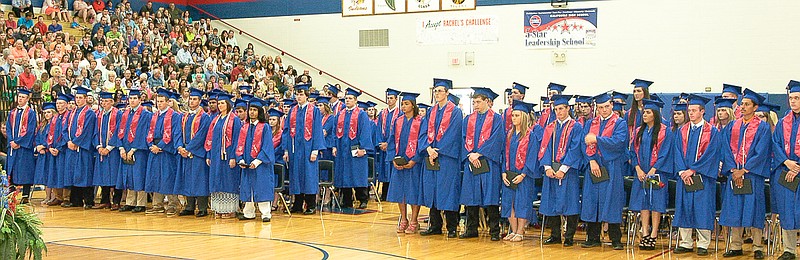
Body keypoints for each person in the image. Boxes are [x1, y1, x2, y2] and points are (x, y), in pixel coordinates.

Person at [719, 89, 771, 259]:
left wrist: (744, 170)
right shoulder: (733, 126)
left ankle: (757, 246)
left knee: (754, 209)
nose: (743, 107)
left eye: (747, 104)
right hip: (735, 175)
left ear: (755, 107)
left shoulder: (762, 127)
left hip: (752, 176)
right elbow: (726, 149)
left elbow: (761, 152)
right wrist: (734, 170)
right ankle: (736, 245)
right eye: (742, 104)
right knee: (735, 209)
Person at [672, 94, 721, 256]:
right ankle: (685, 242)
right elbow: (677, 152)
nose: (691, 113)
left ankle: (703, 243)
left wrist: (693, 170)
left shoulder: (712, 132)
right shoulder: (682, 130)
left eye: (694, 110)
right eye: (690, 110)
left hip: (703, 178)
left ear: (702, 111)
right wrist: (682, 171)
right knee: (684, 208)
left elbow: (711, 154)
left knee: (702, 209)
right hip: (684, 178)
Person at [579, 92, 629, 250]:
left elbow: (619, 143)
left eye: (607, 106)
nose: (604, 110)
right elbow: (583, 143)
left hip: (611, 166)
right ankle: (592, 237)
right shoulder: (590, 123)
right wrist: (591, 160)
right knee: (592, 201)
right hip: (594, 166)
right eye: (600, 107)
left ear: (612, 105)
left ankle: (615, 239)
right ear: (597, 108)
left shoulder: (619, 123)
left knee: (611, 201)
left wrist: (597, 140)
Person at [419, 78, 463, 238]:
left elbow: (454, 135)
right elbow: (423, 133)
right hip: (432, 156)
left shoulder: (455, 112)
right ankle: (435, 225)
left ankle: (452, 227)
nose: (437, 93)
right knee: (433, 190)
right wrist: (429, 149)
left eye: (440, 91)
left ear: (447, 93)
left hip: (447, 158)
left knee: (448, 191)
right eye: (435, 91)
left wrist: (438, 151)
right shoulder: (431, 111)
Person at [458, 87, 504, 241]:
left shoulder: (497, 119)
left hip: (489, 163)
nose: (475, 105)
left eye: (478, 102)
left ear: (487, 102)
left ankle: (494, 231)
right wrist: (471, 155)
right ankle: (471, 229)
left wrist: (480, 153)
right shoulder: (468, 119)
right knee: (471, 197)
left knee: (490, 198)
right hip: (472, 162)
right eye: (474, 102)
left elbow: (497, 139)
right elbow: (463, 139)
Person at [538, 94, 583, 247]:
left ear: (568, 108)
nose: (559, 112)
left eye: (561, 108)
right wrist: (547, 167)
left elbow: (575, 149)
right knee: (551, 203)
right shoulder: (550, 127)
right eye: (556, 109)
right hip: (551, 171)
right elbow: (544, 148)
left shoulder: (576, 126)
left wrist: (563, 169)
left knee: (570, 203)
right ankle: (555, 234)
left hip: (568, 172)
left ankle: (569, 236)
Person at [628, 99, 673, 250]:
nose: (644, 114)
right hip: (641, 173)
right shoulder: (638, 131)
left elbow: (665, 153)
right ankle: (645, 232)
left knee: (656, 203)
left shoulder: (665, 131)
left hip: (657, 174)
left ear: (655, 114)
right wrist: (638, 169)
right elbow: (632, 152)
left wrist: (654, 170)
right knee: (643, 202)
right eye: (644, 112)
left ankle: (654, 234)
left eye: (648, 112)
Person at [502, 100, 542, 242]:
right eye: (512, 115)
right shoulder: (509, 134)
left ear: (523, 117)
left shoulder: (530, 136)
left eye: (517, 115)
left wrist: (524, 174)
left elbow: (532, 157)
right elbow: (503, 154)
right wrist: (503, 172)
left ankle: (520, 231)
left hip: (524, 176)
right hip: (510, 174)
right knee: (509, 202)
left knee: (522, 203)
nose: (514, 118)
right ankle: (513, 231)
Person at [282, 83, 324, 214]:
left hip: (308, 149)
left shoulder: (314, 110)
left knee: (309, 176)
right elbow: (286, 131)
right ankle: (297, 204)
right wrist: (286, 150)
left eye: (301, 95)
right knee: (296, 176)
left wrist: (315, 150)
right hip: (295, 149)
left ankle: (311, 205)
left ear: (306, 96)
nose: (299, 97)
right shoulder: (293, 111)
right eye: (297, 94)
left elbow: (317, 130)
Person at [386, 92, 425, 234]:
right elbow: (392, 140)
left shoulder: (421, 121)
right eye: (402, 103)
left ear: (413, 106)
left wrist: (415, 159)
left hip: (414, 162)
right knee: (399, 191)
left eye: (406, 104)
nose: (403, 106)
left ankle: (414, 220)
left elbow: (422, 141)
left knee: (413, 191)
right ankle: (404, 219)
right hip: (400, 160)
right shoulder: (398, 121)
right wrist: (393, 159)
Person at [332, 87, 374, 209]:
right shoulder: (340, 114)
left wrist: (364, 149)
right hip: (342, 149)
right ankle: (347, 200)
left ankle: (363, 199)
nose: (348, 100)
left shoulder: (361, 115)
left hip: (356, 149)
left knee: (357, 174)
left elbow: (365, 132)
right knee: (345, 174)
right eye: (346, 98)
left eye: (350, 98)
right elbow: (335, 131)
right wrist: (334, 146)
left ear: (355, 100)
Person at [236, 97, 276, 222]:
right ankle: (248, 212)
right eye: (250, 110)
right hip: (247, 162)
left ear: (259, 111)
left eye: (254, 110)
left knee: (262, 186)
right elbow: (240, 144)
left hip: (261, 164)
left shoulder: (265, 127)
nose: (252, 112)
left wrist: (257, 161)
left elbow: (267, 146)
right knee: (248, 186)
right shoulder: (245, 127)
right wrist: (240, 159)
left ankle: (265, 213)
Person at [143, 89, 182, 215]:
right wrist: (151, 145)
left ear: (168, 102)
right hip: (154, 149)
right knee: (155, 176)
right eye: (157, 101)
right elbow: (149, 132)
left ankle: (173, 204)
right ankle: (157, 205)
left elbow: (174, 134)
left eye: (161, 101)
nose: (159, 104)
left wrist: (160, 147)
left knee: (168, 177)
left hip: (166, 151)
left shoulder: (174, 116)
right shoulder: (154, 116)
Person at [773, 80, 800, 260]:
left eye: (797, 98)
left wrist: (797, 167)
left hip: (797, 170)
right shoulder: (783, 122)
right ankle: (789, 249)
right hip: (786, 172)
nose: (793, 101)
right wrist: (787, 162)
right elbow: (775, 145)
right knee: (787, 211)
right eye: (791, 98)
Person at [175, 88, 212, 217]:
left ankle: (202, 208)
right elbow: (177, 133)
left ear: (200, 101)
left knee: (199, 180)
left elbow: (201, 136)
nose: (191, 101)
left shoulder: (204, 117)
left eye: (194, 99)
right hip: (184, 153)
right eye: (190, 99)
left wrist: (189, 149)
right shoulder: (184, 116)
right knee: (187, 179)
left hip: (198, 153)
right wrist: (180, 147)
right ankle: (189, 206)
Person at [205, 92, 242, 219]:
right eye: (219, 103)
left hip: (228, 156)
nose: (220, 105)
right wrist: (209, 155)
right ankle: (219, 208)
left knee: (228, 180)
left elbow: (237, 139)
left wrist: (233, 157)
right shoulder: (215, 119)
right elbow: (210, 138)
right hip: (216, 155)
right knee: (217, 179)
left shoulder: (234, 120)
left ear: (228, 104)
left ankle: (230, 209)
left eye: (222, 103)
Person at [117, 89, 151, 212]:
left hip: (139, 151)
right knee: (128, 176)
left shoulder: (146, 115)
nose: (132, 101)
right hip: (125, 149)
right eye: (130, 98)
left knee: (139, 175)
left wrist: (133, 149)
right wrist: (121, 148)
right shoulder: (125, 114)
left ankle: (141, 203)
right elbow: (119, 131)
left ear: (140, 100)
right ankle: (130, 202)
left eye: (135, 98)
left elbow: (145, 134)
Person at [91, 91, 121, 209]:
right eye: (102, 101)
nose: (104, 103)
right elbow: (95, 132)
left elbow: (119, 132)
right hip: (101, 150)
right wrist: (98, 146)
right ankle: (105, 200)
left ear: (112, 102)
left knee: (114, 175)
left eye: (107, 101)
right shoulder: (99, 114)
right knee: (103, 175)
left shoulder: (117, 114)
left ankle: (116, 201)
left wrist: (109, 147)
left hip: (113, 151)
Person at [6, 88, 37, 203]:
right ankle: (11, 195)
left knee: (25, 170)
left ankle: (25, 195)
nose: (20, 99)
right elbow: (8, 128)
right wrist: (11, 141)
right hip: (13, 147)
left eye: (23, 97)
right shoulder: (12, 112)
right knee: (12, 170)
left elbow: (30, 130)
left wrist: (19, 142)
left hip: (24, 148)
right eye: (19, 97)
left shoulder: (31, 113)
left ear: (27, 99)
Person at [376, 88, 401, 201]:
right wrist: (380, 143)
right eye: (388, 98)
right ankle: (384, 194)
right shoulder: (382, 113)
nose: (389, 100)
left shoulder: (400, 114)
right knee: (383, 171)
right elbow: (378, 129)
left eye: (391, 98)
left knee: (392, 170)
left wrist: (389, 144)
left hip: (393, 148)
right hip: (383, 147)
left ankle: (393, 195)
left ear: (396, 99)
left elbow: (398, 132)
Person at [34, 102, 57, 202]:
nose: (47, 114)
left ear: (53, 113)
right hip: (42, 154)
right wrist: (39, 147)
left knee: (50, 175)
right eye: (45, 112)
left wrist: (44, 146)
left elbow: (53, 138)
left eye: (49, 112)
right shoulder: (42, 125)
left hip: (50, 153)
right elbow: (37, 137)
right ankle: (47, 196)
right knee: (44, 175)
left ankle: (53, 196)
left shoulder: (55, 124)